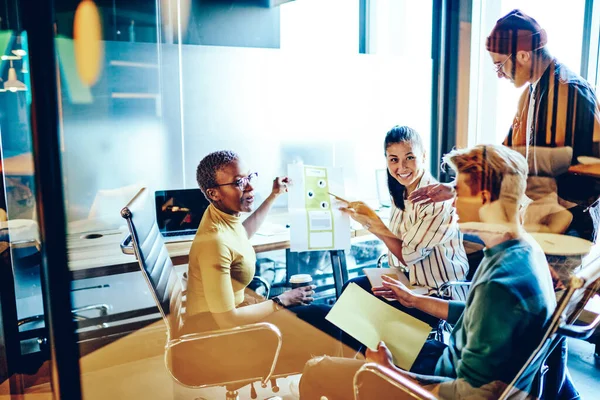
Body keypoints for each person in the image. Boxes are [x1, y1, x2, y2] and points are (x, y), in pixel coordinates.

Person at [299, 144, 559, 400]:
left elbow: (469, 395)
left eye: (458, 191)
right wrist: (413, 300)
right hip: (451, 360)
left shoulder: (499, 285)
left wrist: (389, 372)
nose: (452, 200)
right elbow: (477, 313)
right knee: (357, 314)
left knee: (316, 370)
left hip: (444, 382)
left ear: (483, 198)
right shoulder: (523, 250)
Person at [173, 150, 356, 386]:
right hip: (217, 339)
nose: (249, 188)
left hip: (222, 323)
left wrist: (273, 196)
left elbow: (241, 235)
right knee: (326, 319)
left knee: (325, 314)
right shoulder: (215, 241)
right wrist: (282, 301)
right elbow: (227, 320)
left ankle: (337, 378)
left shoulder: (220, 216)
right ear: (213, 193)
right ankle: (330, 382)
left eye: (250, 178)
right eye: (239, 182)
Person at [412, 9, 600, 239]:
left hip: (567, 227)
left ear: (523, 55)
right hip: (540, 218)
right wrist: (455, 188)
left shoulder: (569, 91)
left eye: (500, 65)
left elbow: (595, 170)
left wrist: (551, 207)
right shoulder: (531, 93)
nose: (500, 75)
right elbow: (505, 157)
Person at [339, 126, 469, 323]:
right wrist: (369, 222)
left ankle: (374, 352)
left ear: (423, 156)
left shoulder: (436, 200)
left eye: (409, 157)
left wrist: (374, 223)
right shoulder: (400, 192)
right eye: (394, 160)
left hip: (436, 294)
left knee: (361, 307)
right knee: (351, 289)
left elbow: (408, 255)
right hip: (408, 281)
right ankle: (364, 353)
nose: (401, 167)